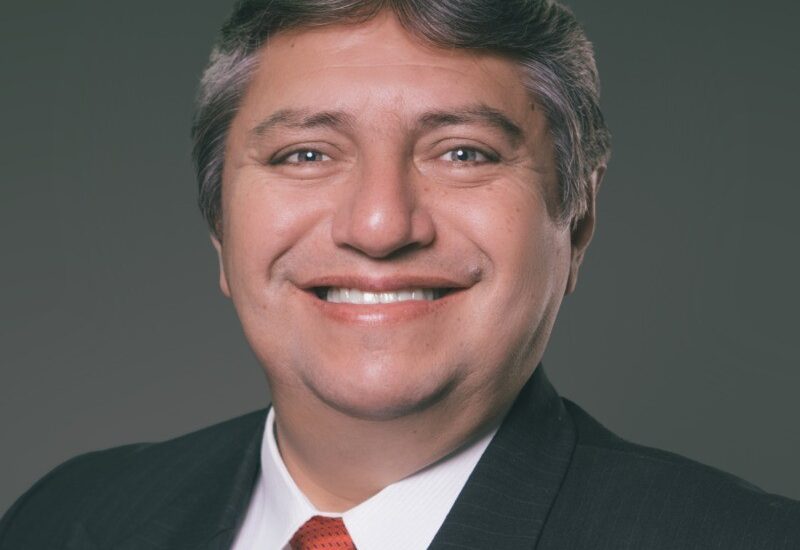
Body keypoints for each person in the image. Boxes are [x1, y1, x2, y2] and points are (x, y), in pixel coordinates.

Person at [1, 1, 798, 548]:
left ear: (577, 221)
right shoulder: (64, 521)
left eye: (464, 153)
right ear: (220, 227)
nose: (381, 226)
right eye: (305, 154)